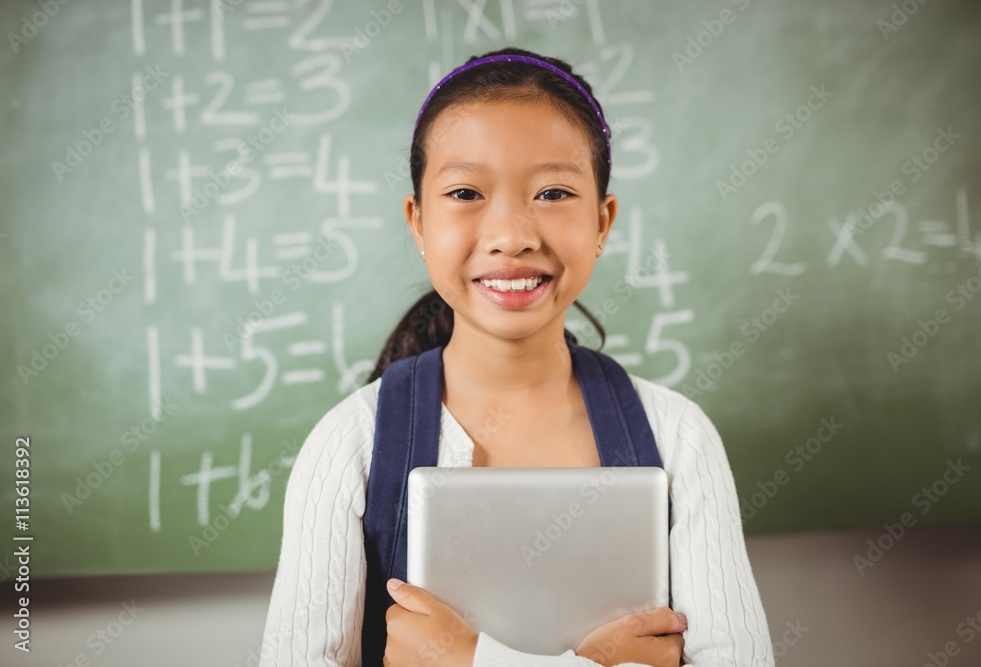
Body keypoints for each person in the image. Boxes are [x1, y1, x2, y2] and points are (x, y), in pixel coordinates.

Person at [259, 46, 774, 666]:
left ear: (603, 221)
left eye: (554, 192)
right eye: (467, 192)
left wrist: (470, 659)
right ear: (418, 223)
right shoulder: (349, 445)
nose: (512, 236)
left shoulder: (679, 437)